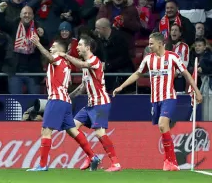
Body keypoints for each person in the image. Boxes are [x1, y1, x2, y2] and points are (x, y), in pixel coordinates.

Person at [113, 32, 202, 171]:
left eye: (151, 43)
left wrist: (196, 91)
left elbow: (186, 74)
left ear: (160, 43)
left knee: (162, 123)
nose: (149, 46)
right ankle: (169, 161)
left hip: (169, 97)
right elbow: (137, 73)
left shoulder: (173, 57)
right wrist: (121, 86)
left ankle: (171, 162)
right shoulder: (148, 59)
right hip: (155, 99)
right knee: (162, 128)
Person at [26, 35, 101, 171]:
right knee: (73, 131)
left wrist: (37, 44)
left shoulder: (58, 58)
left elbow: (49, 57)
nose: (51, 48)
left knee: (46, 131)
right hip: (65, 101)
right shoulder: (65, 63)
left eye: (53, 46)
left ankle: (42, 165)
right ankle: (92, 156)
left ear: (60, 49)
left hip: (56, 99)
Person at [61, 36, 122, 172]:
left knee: (100, 133)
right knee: (71, 127)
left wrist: (65, 55)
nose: (77, 47)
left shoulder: (93, 60)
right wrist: (68, 97)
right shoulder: (85, 65)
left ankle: (116, 163)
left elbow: (82, 65)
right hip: (90, 105)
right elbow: (83, 86)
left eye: (80, 45)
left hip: (100, 103)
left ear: (87, 48)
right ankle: (91, 156)